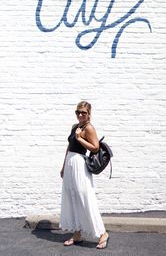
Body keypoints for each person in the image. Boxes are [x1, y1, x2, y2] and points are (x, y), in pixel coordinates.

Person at [60, 101, 109, 249]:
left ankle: (102, 234)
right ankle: (77, 233)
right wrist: (63, 166)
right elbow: (69, 147)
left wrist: (80, 138)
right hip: (70, 164)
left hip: (80, 165)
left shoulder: (89, 128)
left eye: (83, 112)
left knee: (84, 197)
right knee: (72, 197)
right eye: (78, 112)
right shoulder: (75, 127)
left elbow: (95, 148)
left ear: (89, 114)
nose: (80, 115)